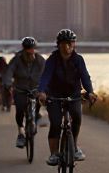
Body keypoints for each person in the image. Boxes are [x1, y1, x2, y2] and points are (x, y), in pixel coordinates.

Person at [37, 29, 97, 165]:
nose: (67, 46)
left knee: (77, 117)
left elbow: (85, 77)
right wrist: (42, 92)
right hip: (54, 95)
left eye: (70, 43)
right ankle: (53, 154)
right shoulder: (52, 60)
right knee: (56, 123)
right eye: (64, 43)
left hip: (73, 94)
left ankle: (74, 147)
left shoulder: (78, 60)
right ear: (58, 45)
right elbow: (45, 77)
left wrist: (90, 91)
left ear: (74, 44)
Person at [6, 37, 45, 148]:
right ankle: (21, 133)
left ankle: (35, 118)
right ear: (23, 48)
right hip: (20, 89)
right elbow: (9, 71)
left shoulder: (40, 60)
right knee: (19, 110)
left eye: (32, 48)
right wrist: (8, 83)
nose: (30, 51)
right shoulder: (16, 59)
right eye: (27, 48)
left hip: (35, 89)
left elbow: (47, 73)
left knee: (38, 103)